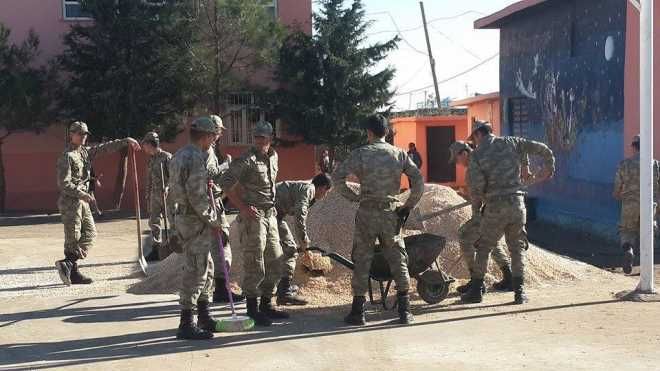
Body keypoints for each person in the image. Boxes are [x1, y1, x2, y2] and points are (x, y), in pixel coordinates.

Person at [334, 114, 424, 326]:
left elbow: (337, 177)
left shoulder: (361, 154)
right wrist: (408, 205)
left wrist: (353, 197)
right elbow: (418, 181)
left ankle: (358, 312)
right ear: (387, 133)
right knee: (397, 258)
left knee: (362, 258)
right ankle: (404, 311)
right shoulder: (400, 154)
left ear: (369, 132)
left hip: (366, 212)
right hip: (390, 213)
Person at [461, 122, 554, 305]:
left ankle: (476, 291)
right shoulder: (512, 142)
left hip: (495, 206)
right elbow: (542, 149)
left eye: (475, 139)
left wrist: (476, 213)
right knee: (517, 248)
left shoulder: (477, 155)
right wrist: (549, 167)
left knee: (484, 247)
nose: (475, 142)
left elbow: (477, 188)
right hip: (518, 205)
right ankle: (519, 292)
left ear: (479, 134)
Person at [55, 121, 140, 286]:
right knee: (73, 237)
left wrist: (125, 141)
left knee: (90, 234)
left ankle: (68, 263)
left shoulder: (84, 152)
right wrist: (82, 194)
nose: (83, 137)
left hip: (83, 201)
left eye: (85, 134)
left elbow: (104, 148)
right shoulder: (67, 156)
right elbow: (63, 184)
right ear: (71, 135)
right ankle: (73, 272)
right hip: (71, 202)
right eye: (80, 134)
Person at [220, 120, 288, 327]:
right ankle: (252, 308)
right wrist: (242, 207)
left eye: (263, 137)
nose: (259, 141)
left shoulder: (274, 157)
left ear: (270, 139)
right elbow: (225, 183)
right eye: (256, 137)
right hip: (254, 218)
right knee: (255, 263)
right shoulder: (246, 160)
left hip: (271, 215)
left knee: (276, 260)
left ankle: (267, 304)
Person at [168, 116, 225, 340]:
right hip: (195, 220)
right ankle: (186, 323)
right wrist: (214, 220)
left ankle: (203, 315)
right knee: (196, 270)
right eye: (214, 136)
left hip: (188, 218)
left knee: (207, 267)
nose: (215, 139)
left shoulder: (185, 154)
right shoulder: (194, 158)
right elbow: (197, 196)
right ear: (207, 136)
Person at [448, 140, 514, 293]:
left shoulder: (473, 168)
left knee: (465, 235)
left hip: (496, 208)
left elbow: (477, 200)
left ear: (464, 153)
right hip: (508, 205)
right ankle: (509, 277)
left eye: (457, 159)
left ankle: (476, 282)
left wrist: (476, 219)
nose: (458, 164)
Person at [275, 173, 333, 306]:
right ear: (323, 187)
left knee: (284, 249)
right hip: (270, 215)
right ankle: (284, 293)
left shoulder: (305, 187)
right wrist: (303, 240)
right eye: (326, 192)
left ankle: (283, 287)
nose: (325, 195)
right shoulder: (309, 189)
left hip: (275, 216)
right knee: (290, 250)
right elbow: (300, 215)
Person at [205, 115, 244, 303]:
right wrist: (226, 165)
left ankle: (218, 288)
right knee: (221, 245)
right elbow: (208, 177)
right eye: (219, 130)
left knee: (218, 246)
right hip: (211, 205)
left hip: (212, 203)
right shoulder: (206, 151)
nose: (220, 134)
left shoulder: (209, 149)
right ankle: (220, 290)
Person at [613, 134, 659, 274]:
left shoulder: (624, 165)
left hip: (629, 204)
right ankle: (647, 268)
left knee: (627, 232)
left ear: (634, 147)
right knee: (649, 233)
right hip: (649, 204)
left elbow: (617, 189)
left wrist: (618, 196)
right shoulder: (656, 165)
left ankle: (629, 250)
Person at [141, 131, 172, 261]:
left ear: (150, 144)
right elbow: (149, 178)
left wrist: (167, 187)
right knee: (154, 222)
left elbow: (174, 176)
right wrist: (147, 193)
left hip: (167, 195)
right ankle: (156, 249)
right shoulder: (151, 160)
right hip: (154, 195)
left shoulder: (166, 157)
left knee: (172, 219)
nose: (144, 148)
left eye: (145, 145)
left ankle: (174, 247)